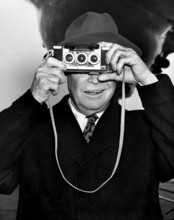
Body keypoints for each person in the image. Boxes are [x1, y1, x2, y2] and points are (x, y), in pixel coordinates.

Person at [0, 11, 174, 220]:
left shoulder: (149, 126)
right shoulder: (30, 126)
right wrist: (32, 100)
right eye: (84, 63)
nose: (95, 79)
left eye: (103, 64)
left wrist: (147, 80)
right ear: (65, 69)